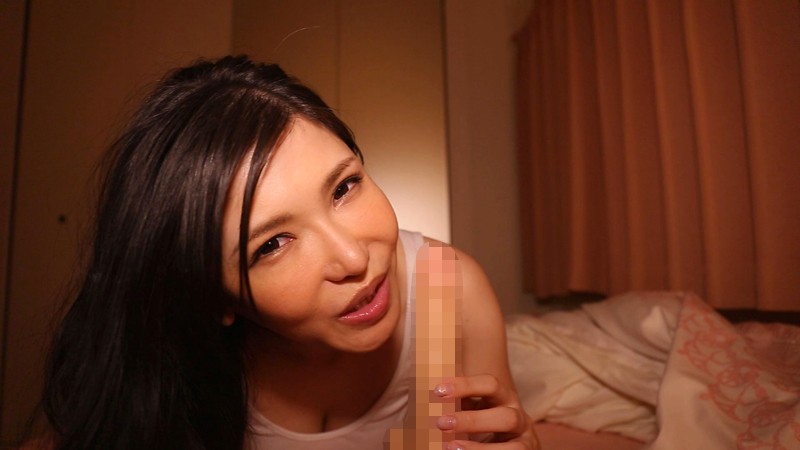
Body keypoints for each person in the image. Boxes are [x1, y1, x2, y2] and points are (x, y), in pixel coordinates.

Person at [39, 55, 538, 450]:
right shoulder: (175, 379)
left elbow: (499, 429)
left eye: (344, 187)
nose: (353, 259)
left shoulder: (450, 290)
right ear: (215, 297)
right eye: (273, 244)